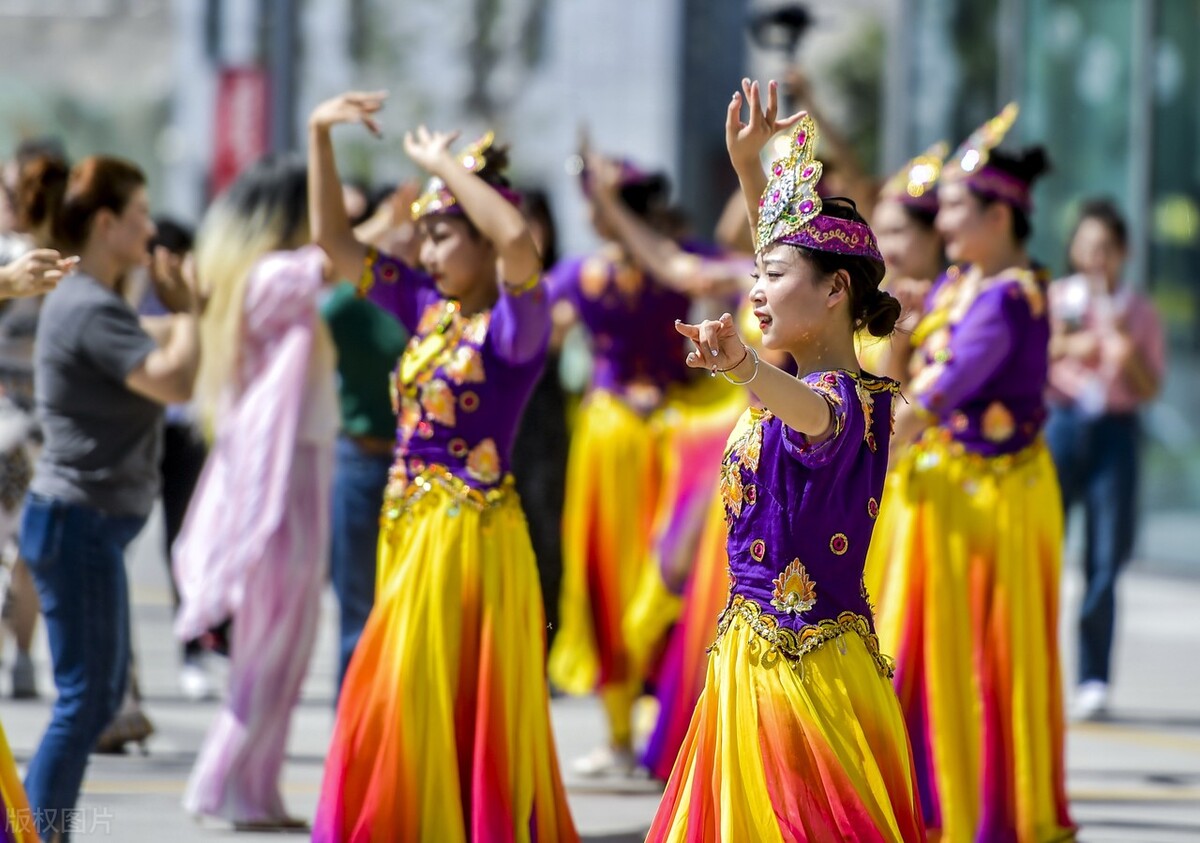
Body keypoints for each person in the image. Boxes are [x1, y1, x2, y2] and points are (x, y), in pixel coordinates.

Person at [647, 79, 922, 842]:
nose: (757, 294)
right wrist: (749, 168)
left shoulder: (850, 401)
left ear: (837, 290)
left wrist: (742, 367)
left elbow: (816, 417)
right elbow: (782, 254)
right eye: (755, 278)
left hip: (809, 675)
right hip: (746, 660)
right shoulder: (794, 381)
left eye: (773, 279)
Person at [307, 91, 577, 843]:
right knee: (399, 694)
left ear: (483, 241)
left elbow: (518, 238)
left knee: (435, 695)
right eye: (423, 236)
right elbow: (332, 241)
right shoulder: (427, 305)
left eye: (443, 235)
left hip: (470, 542)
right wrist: (319, 134)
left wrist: (445, 168)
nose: (425, 252)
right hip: (408, 533)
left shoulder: (516, 327)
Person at [864, 104, 1076, 842]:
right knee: (919, 651)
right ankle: (921, 805)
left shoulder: (1009, 299)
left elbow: (935, 392)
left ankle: (975, 815)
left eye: (956, 206)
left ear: (999, 216)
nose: (942, 218)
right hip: (945, 495)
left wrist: (856, 449)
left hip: (994, 503)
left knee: (983, 664)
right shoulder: (962, 284)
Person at [19, 155, 200, 842]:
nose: (151, 229)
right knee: (86, 702)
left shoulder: (95, 302)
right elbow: (174, 381)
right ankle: (37, 833)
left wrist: (194, 313)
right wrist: (189, 312)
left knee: (94, 701)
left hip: (83, 526)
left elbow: (158, 342)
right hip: (78, 524)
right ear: (105, 224)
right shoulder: (89, 305)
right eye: (140, 215)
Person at [170, 154, 334, 831]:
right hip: (283, 482)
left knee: (284, 648)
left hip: (293, 470)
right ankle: (223, 784)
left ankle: (255, 793)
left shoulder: (252, 274)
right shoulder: (273, 275)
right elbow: (337, 259)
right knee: (273, 648)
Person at [1045, 199, 1165, 721]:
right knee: (1041, 547)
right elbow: (1032, 358)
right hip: (1063, 423)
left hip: (1116, 431)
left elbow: (1151, 386)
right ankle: (1032, 666)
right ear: (1075, 248)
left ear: (1124, 254)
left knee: (1105, 556)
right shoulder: (1057, 299)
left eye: (1108, 249)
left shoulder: (1138, 312)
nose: (1097, 258)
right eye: (1089, 246)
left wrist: (1126, 351)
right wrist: (1070, 346)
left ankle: (1092, 677)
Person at [321, 188, 411, 698]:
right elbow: (323, 298)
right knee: (356, 610)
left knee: (403, 609)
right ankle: (351, 725)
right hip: (358, 460)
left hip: (411, 467)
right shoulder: (351, 302)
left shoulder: (426, 300)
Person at [859, 143, 947, 381]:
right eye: (879, 234)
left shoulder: (953, 302)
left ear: (934, 235)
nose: (885, 246)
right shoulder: (868, 303)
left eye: (896, 232)